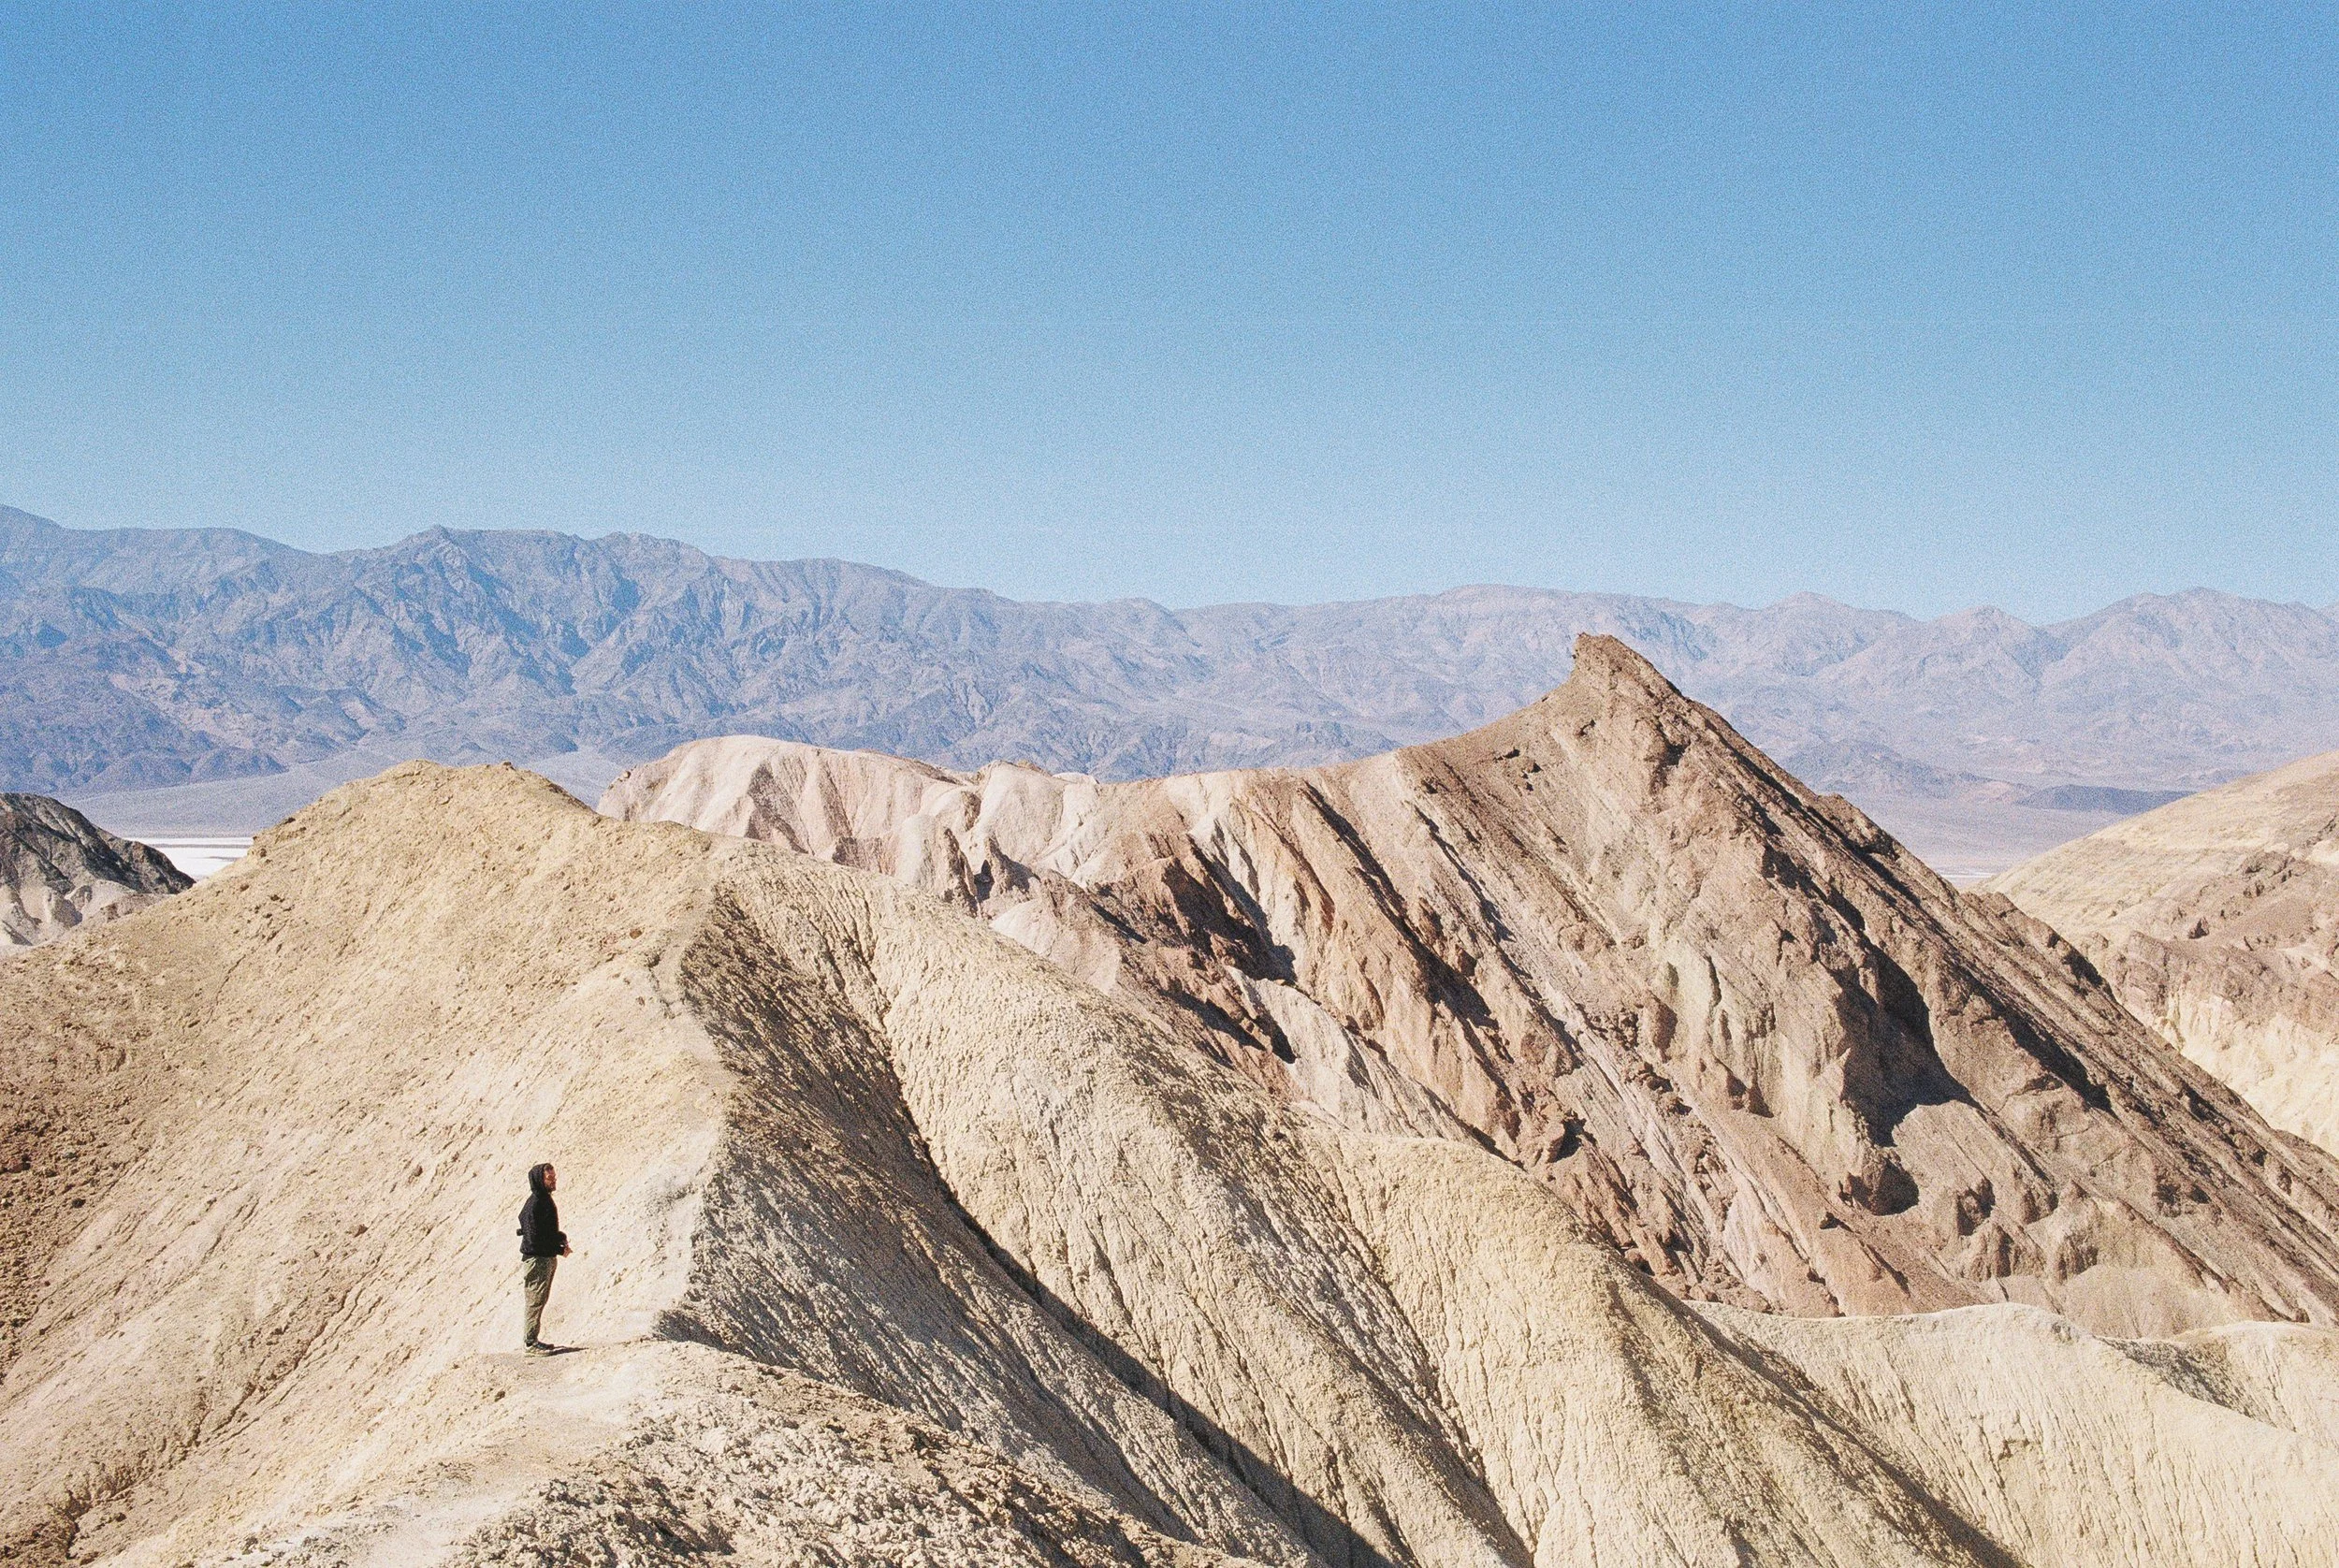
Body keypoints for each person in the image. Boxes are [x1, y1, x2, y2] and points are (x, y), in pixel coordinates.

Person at [517, 1161, 571, 1354]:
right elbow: (534, 1238)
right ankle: (530, 1343)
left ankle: (533, 1339)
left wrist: (560, 1238)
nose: (553, 1181)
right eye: (550, 1178)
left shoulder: (544, 1200)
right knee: (535, 1300)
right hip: (537, 1260)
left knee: (540, 1299)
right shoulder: (535, 1203)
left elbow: (545, 1231)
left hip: (544, 1258)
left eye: (554, 1177)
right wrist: (557, 1249)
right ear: (540, 1180)